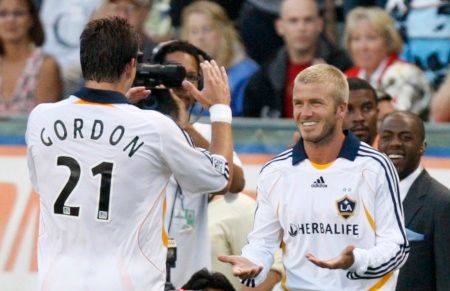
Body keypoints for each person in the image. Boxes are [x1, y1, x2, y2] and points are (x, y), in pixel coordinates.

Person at [26, 17, 234, 290]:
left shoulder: (40, 118)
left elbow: (42, 183)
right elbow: (219, 178)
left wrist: (122, 110)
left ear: (84, 61)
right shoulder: (154, 127)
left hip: (57, 282)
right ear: (131, 66)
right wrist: (220, 110)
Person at [219, 64, 409, 290]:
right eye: (298, 103)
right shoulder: (274, 171)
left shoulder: (375, 166)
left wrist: (357, 261)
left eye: (316, 103)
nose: (305, 113)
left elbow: (397, 248)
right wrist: (253, 264)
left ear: (341, 109)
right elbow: (263, 243)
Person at [142, 40, 246, 288]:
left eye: (189, 76)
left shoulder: (209, 134)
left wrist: (183, 127)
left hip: (191, 277)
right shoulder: (139, 126)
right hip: (141, 274)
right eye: (173, 72)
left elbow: (234, 182)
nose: (182, 84)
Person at [242, 0, 352, 118]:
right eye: (293, 21)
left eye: (308, 20)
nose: (301, 28)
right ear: (280, 27)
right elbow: (249, 129)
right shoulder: (264, 77)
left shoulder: (343, 66)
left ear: (320, 24)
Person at [378, 111, 450, 291]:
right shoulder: (365, 195)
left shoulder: (442, 202)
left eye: (406, 137)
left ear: (422, 146)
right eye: (387, 137)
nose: (395, 143)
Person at [344, 7, 432, 120]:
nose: (363, 47)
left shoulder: (406, 74)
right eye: (356, 39)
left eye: (371, 38)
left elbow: (394, 121)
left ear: (388, 42)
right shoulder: (347, 78)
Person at [181, 1, 259, 116]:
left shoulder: (247, 73)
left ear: (223, 32)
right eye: (194, 31)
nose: (200, 37)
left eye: (207, 29)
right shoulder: (182, 74)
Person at [0, 0, 62, 114]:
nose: (10, 19)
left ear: (31, 19)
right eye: (2, 14)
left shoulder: (46, 65)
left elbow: (45, 122)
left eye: (18, 13)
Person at [344, 77, 378, 146]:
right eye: (348, 109)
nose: (359, 118)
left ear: (378, 113)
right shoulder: (324, 155)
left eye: (367, 108)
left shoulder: (391, 151)